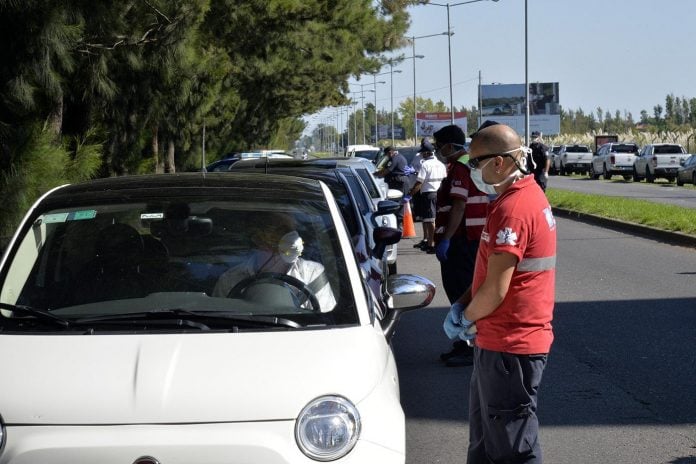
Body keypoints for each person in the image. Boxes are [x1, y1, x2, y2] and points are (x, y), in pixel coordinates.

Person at [444, 123, 557, 463]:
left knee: (512, 449)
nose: (472, 170)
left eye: (475, 163)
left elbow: (495, 289)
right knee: (485, 442)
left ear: (498, 163)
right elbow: (487, 275)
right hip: (497, 343)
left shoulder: (514, 208)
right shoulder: (513, 199)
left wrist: (465, 317)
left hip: (511, 346)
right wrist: (463, 303)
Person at [432, 124, 492, 367]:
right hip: (469, 238)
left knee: (460, 292)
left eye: (439, 146)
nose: (437, 150)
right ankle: (464, 341)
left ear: (449, 146)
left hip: (463, 239)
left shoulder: (459, 168)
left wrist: (446, 238)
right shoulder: (469, 165)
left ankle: (470, 344)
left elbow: (458, 206)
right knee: (462, 289)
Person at [213, 215, 336, 312]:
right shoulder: (230, 279)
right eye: (281, 231)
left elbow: (325, 322)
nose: (292, 237)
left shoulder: (312, 274)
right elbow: (219, 323)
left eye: (291, 230)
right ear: (258, 240)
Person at [408, 140, 446, 253]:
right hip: (438, 193)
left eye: (423, 153)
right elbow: (445, 180)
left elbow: (419, 182)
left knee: (430, 220)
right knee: (433, 220)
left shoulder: (425, 164)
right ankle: (430, 242)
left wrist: (410, 194)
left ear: (426, 153)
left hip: (429, 194)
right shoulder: (440, 164)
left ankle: (432, 243)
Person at [375, 146, 409, 229]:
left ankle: (399, 226)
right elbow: (385, 168)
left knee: (399, 203)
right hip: (398, 182)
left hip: (399, 182)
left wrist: (376, 175)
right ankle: (398, 225)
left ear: (390, 152)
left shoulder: (395, 158)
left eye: (387, 154)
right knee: (397, 203)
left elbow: (388, 170)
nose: (387, 156)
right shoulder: (397, 157)